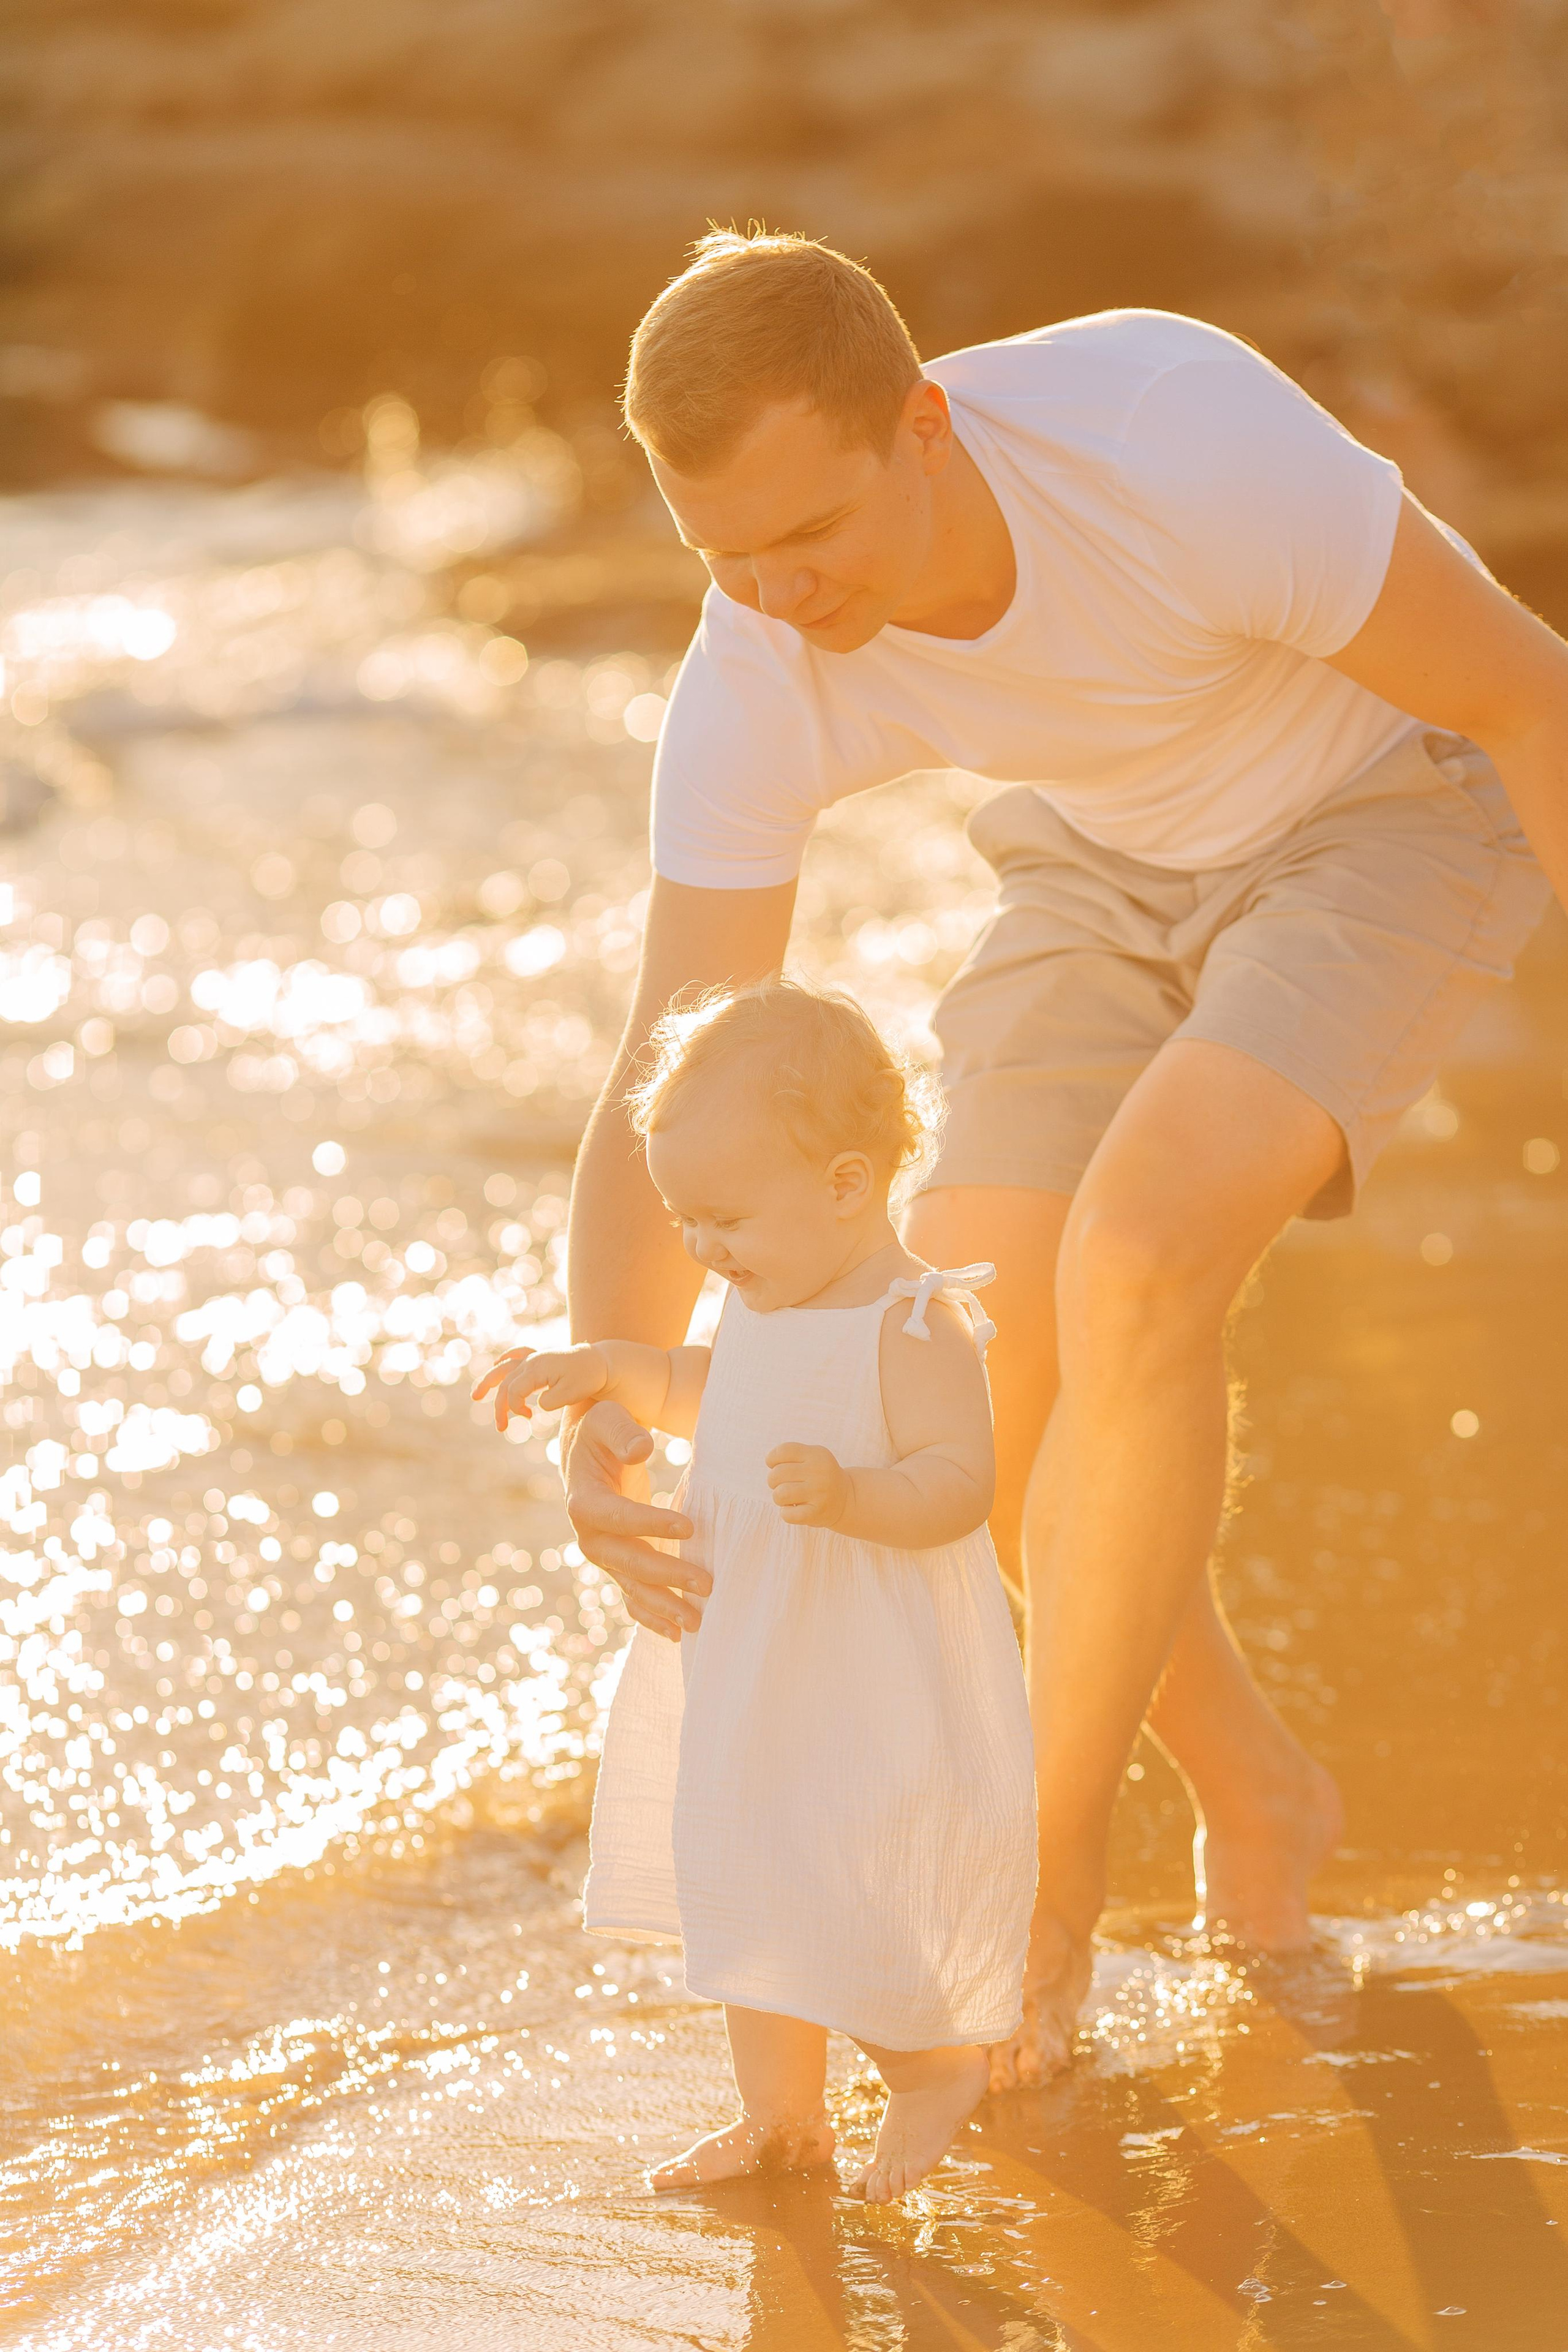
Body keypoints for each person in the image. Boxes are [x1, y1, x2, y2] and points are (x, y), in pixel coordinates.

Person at [560, 229, 1568, 2087]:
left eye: (818, 531)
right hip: (1100, 865)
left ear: (927, 423)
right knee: (967, 1363)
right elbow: (672, 1047)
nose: (779, 590)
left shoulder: (1167, 441)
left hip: (1389, 816)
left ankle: (1046, 1874)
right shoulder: (758, 659)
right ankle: (1261, 1797)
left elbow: (1528, 690)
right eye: (728, 556)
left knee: (1139, 1256)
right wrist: (605, 1415)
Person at [477, 982, 1036, 2199]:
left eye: (721, 1218)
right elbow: (702, 1389)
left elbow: (957, 1485)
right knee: (742, 1873)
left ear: (845, 1184)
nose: (699, 1249)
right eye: (683, 1219)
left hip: (855, 1667)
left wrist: (848, 1493)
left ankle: (926, 2064)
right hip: (749, 1657)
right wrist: (597, 1367)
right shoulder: (763, 1296)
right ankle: (780, 2122)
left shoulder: (911, 1323)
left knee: (825, 1872)